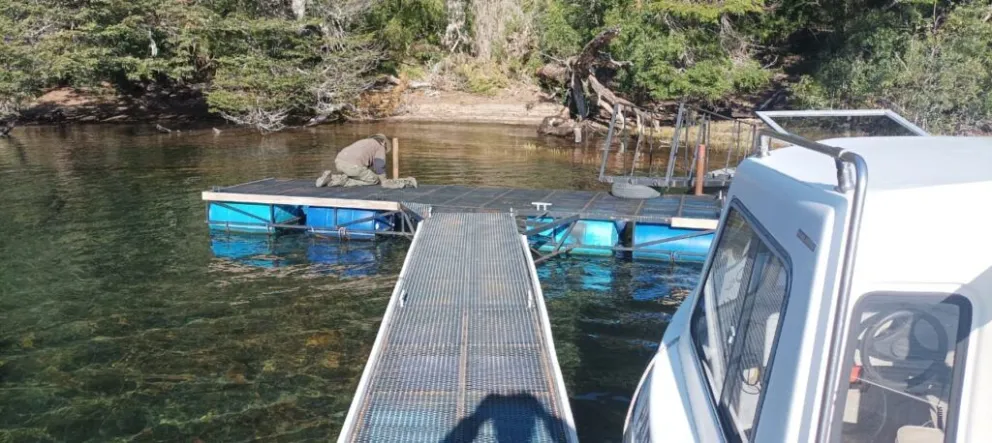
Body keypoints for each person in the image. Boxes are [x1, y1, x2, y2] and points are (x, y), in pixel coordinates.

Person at [316, 134, 390, 187]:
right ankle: (344, 182)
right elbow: (379, 165)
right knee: (374, 179)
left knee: (357, 174)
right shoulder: (380, 146)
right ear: (383, 142)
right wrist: (384, 181)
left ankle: (332, 177)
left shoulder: (364, 142)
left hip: (339, 162)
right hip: (352, 166)